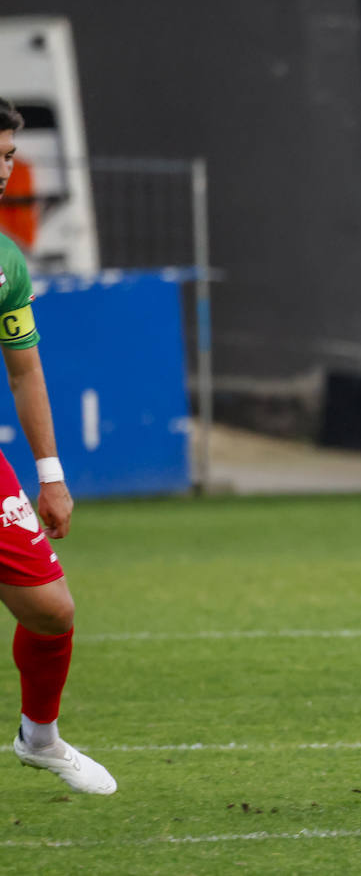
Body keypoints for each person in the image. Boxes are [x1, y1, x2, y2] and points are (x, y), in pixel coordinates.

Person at [0, 98, 117, 795]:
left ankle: (39, 737)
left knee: (52, 610)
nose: (7, 166)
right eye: (1, 152)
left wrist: (51, 475)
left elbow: (23, 366)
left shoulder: (6, 261)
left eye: (11, 154)